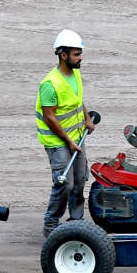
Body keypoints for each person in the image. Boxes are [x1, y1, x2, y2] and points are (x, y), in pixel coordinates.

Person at [38, 29, 95, 237]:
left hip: (77, 137)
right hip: (58, 141)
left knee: (79, 180)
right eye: (76, 54)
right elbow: (50, 118)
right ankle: (51, 223)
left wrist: (87, 118)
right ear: (63, 55)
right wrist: (69, 141)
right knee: (65, 182)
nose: (80, 58)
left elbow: (77, 100)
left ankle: (76, 221)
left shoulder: (76, 73)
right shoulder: (49, 84)